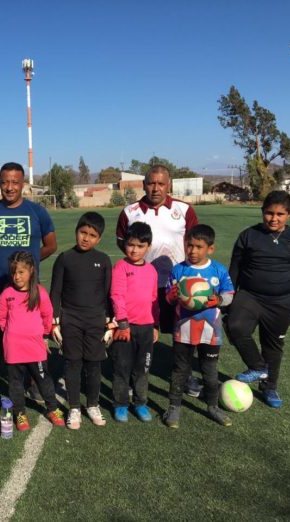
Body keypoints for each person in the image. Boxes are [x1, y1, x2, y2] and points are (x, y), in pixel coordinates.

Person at [0, 162, 57, 403]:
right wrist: (0, 262)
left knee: (31, 335)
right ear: (0, 183)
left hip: (28, 290)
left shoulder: (37, 212)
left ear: (23, 184)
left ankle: (33, 383)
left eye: (15, 182)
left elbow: (51, 245)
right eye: (5, 182)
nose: (9, 187)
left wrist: (26, 267)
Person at [115, 165, 201, 396]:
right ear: (143, 185)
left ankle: (185, 375)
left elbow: (194, 243)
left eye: (161, 184)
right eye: (151, 183)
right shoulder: (130, 212)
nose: (156, 188)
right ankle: (134, 376)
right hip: (141, 288)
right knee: (138, 333)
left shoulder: (184, 210)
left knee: (181, 333)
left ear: (169, 185)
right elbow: (122, 242)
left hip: (177, 284)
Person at [226, 191, 290, 408]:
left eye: (280, 214)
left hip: (282, 302)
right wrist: (228, 297)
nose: (274, 218)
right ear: (262, 212)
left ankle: (269, 388)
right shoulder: (248, 235)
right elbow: (235, 269)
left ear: (289, 215)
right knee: (234, 326)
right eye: (269, 213)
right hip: (250, 296)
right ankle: (258, 367)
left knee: (273, 345)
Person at [162, 224, 235, 428]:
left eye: (199, 246)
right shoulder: (178, 270)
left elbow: (230, 295)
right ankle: (174, 408)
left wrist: (219, 299)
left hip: (211, 332)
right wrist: (172, 296)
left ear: (210, 249)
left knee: (210, 372)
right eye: (189, 245)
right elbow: (168, 299)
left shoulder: (218, 270)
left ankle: (212, 407)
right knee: (180, 371)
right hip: (183, 331)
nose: (193, 251)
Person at [49, 212, 112, 429]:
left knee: (94, 365)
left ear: (99, 238)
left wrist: (110, 323)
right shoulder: (65, 258)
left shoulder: (103, 260)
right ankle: (74, 407)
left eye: (92, 235)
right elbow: (55, 291)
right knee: (73, 363)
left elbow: (107, 294)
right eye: (83, 232)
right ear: (77, 231)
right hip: (71, 320)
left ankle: (92, 404)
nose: (86, 238)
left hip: (95, 321)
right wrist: (54, 321)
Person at [0, 251, 66, 431]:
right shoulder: (7, 293)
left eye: (21, 272)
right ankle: (20, 413)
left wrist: (43, 336)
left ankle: (52, 408)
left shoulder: (40, 292)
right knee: (15, 384)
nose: (16, 277)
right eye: (13, 272)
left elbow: (47, 315)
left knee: (44, 380)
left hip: (35, 347)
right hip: (13, 348)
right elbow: (1, 317)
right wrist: (13, 333)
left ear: (31, 271)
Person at [109, 222, 159, 423]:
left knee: (142, 368)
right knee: (122, 368)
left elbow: (154, 299)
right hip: (125, 328)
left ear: (148, 246)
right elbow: (116, 295)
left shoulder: (152, 270)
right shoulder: (121, 267)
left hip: (146, 328)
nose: (135, 250)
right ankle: (120, 404)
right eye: (131, 245)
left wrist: (155, 325)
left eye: (140, 246)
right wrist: (122, 323)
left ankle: (140, 403)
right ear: (125, 245)